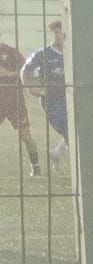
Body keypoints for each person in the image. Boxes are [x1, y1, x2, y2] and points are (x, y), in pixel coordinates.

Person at [23, 18, 68, 169]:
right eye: (55, 32)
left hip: (70, 98)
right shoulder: (44, 53)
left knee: (78, 131)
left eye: (60, 32)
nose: (58, 35)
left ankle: (56, 153)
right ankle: (58, 154)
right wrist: (31, 89)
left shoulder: (71, 53)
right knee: (70, 130)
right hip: (52, 101)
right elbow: (25, 70)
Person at [0, 34, 43, 176]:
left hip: (15, 101)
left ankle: (36, 166)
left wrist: (7, 74)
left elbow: (23, 72)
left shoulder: (12, 52)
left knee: (25, 136)